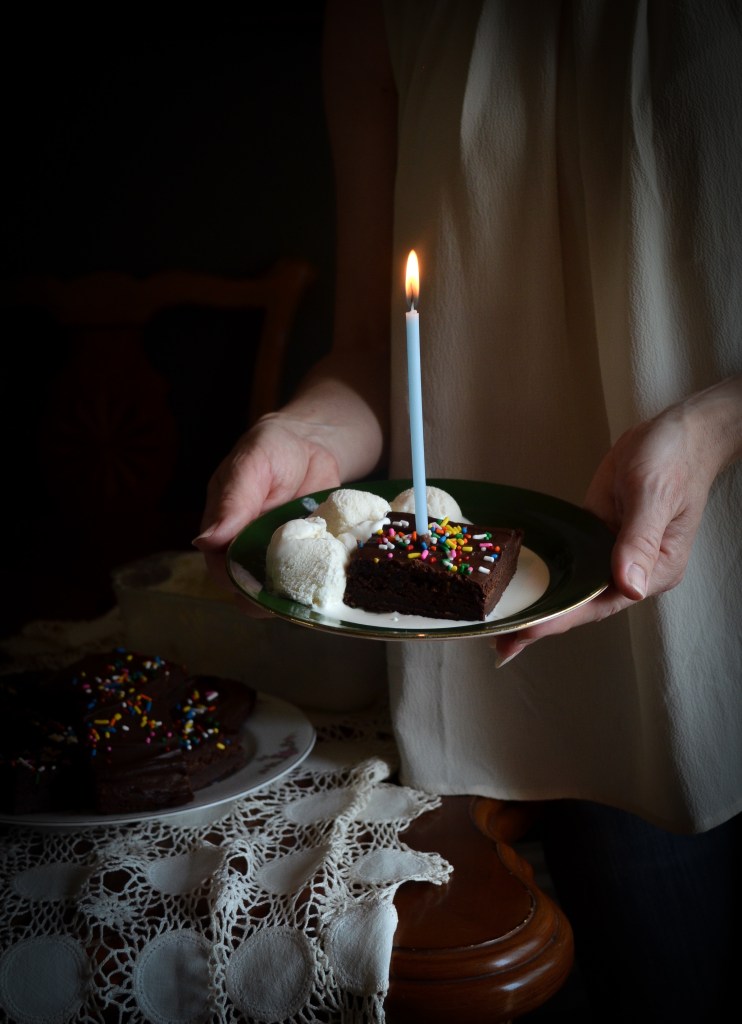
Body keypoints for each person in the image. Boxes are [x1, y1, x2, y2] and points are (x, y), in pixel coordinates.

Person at [195, 3, 742, 1019]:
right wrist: (307, 433)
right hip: (547, 657)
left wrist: (716, 423)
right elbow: (370, 344)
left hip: (714, 596)